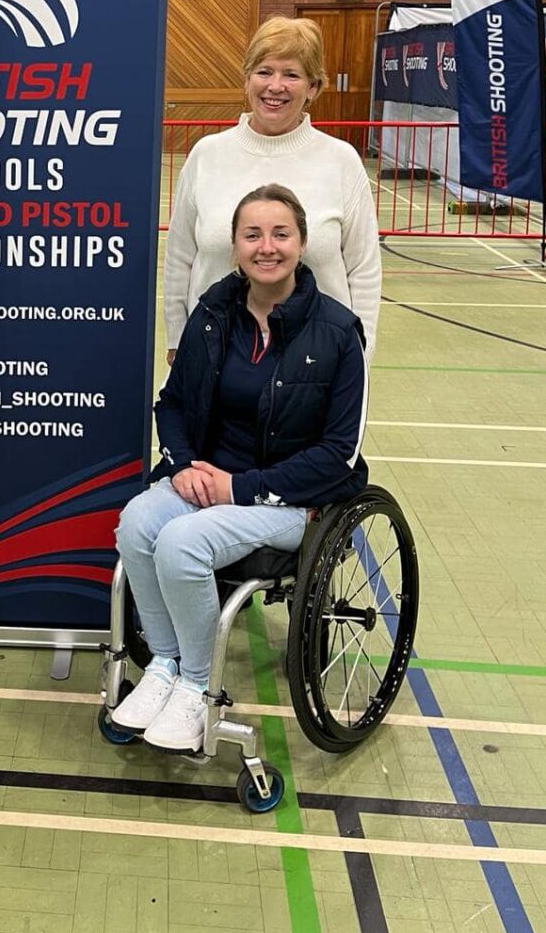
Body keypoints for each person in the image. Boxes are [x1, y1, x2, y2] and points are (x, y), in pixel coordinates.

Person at [113, 184, 368, 752]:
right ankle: (164, 667)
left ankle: (198, 687)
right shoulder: (213, 313)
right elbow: (172, 404)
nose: (267, 246)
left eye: (281, 234)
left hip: (291, 500)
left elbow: (338, 454)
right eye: (252, 234)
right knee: (136, 521)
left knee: (181, 543)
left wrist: (240, 486)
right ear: (235, 247)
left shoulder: (337, 332)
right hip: (208, 479)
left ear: (302, 244)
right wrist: (180, 466)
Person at [163, 16, 380, 362]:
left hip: (315, 365)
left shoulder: (341, 161)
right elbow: (180, 258)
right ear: (247, 79)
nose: (275, 86)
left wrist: (359, 355)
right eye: (264, 71)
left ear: (312, 87)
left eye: (291, 74)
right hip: (215, 358)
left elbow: (364, 270)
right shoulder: (207, 154)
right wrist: (177, 340)